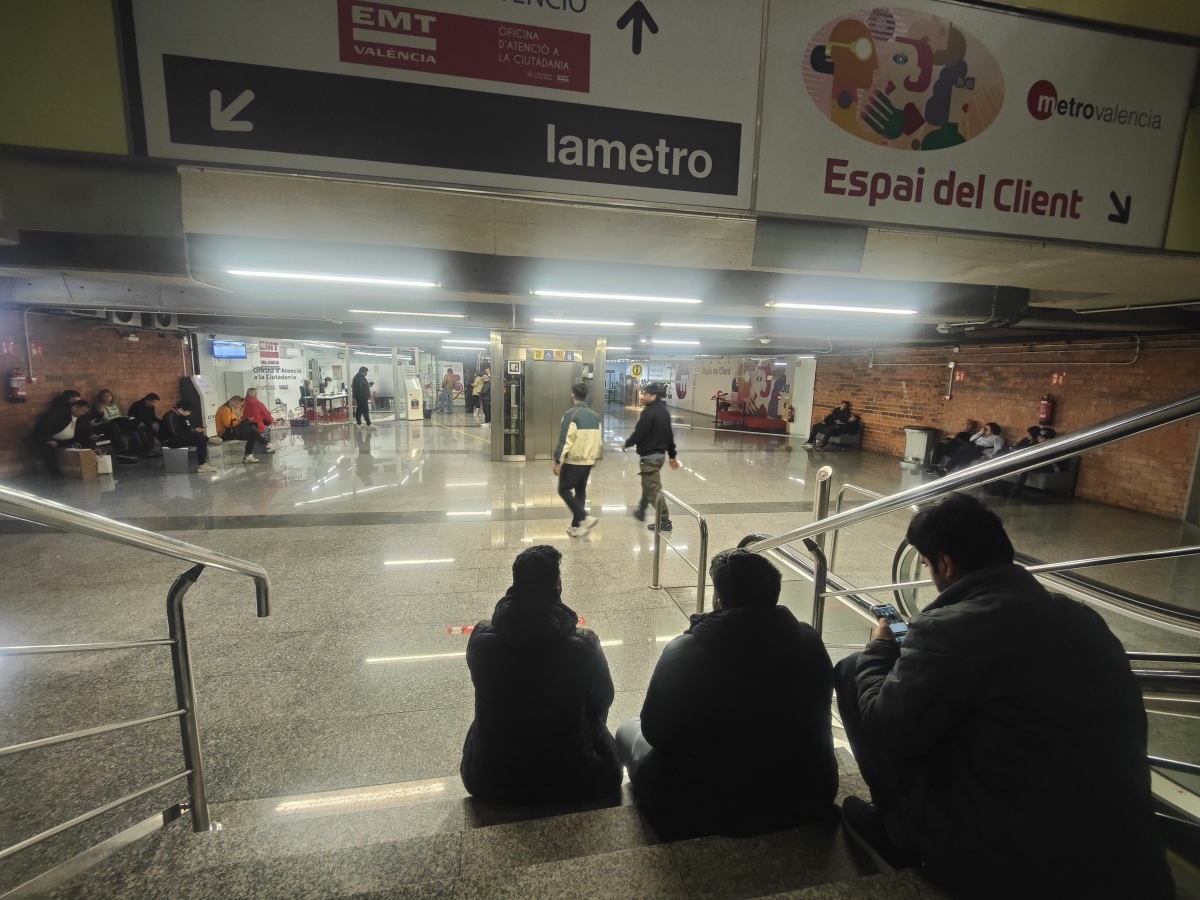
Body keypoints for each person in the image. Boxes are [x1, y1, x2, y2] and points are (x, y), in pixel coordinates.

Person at [834, 494, 1172, 899]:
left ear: (945, 563)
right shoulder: (1082, 618)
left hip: (1012, 865)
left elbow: (884, 728)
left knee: (854, 671)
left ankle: (897, 833)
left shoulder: (949, 630)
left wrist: (878, 650)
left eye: (926, 564)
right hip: (1129, 853)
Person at [616, 549, 837, 841]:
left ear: (718, 600)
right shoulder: (810, 641)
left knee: (626, 730)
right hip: (808, 795)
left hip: (709, 808)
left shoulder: (686, 652)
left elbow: (656, 733)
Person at [460, 545, 621, 805]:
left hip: (490, 781)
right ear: (557, 585)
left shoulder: (481, 640)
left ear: (515, 584)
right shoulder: (585, 644)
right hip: (579, 779)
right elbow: (603, 700)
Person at [623, 383, 679, 531]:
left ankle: (665, 521)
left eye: (645, 394)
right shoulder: (664, 412)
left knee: (652, 489)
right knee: (648, 485)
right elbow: (669, 435)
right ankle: (641, 510)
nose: (642, 396)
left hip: (650, 457)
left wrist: (627, 444)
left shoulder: (648, 413)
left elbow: (639, 432)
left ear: (653, 396)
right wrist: (672, 455)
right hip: (659, 457)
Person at [554, 383, 602, 537]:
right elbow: (598, 440)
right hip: (588, 461)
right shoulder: (595, 416)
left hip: (573, 461)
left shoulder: (571, 414)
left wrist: (557, 460)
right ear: (586, 397)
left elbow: (565, 439)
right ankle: (576, 526)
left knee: (563, 490)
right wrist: (593, 457)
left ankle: (585, 516)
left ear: (572, 395)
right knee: (580, 491)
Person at [29, 398, 93, 478]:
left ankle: (89, 466)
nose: (83, 413)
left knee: (88, 441)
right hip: (50, 438)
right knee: (47, 447)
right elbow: (45, 427)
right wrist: (49, 440)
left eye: (85, 412)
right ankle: (55, 473)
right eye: (82, 411)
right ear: (74, 408)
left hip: (68, 440)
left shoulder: (82, 417)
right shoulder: (58, 413)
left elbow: (83, 430)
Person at [160, 400, 217, 473]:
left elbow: (185, 428)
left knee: (200, 439)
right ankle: (207, 440)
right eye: (187, 411)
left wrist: (193, 430)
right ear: (180, 409)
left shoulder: (182, 415)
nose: (188, 413)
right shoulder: (170, 416)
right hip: (169, 440)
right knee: (197, 437)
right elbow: (174, 432)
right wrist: (190, 433)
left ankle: (202, 464)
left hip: (179, 437)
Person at [215, 395, 271, 464]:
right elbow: (228, 424)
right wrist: (243, 421)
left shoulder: (231, 410)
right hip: (225, 433)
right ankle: (267, 444)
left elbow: (234, 422)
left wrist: (243, 421)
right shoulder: (224, 409)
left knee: (252, 434)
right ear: (235, 403)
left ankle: (248, 456)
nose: (240, 407)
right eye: (240, 405)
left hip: (233, 431)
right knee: (251, 428)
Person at [940, 422, 1005, 474]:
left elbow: (998, 450)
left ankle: (959, 473)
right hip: (972, 449)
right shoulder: (983, 435)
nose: (985, 430)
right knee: (959, 454)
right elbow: (971, 439)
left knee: (966, 456)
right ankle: (945, 470)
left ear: (992, 430)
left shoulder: (998, 438)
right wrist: (980, 432)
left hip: (981, 452)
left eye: (987, 428)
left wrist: (988, 456)